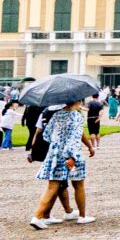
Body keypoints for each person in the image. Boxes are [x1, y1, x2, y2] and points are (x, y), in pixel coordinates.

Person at [30, 96, 94, 229]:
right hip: (71, 155)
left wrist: (57, 143)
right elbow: (75, 139)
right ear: (77, 102)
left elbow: (46, 134)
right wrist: (73, 156)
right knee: (79, 185)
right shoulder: (76, 116)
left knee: (52, 187)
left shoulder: (57, 115)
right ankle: (82, 216)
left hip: (55, 154)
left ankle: (37, 216)